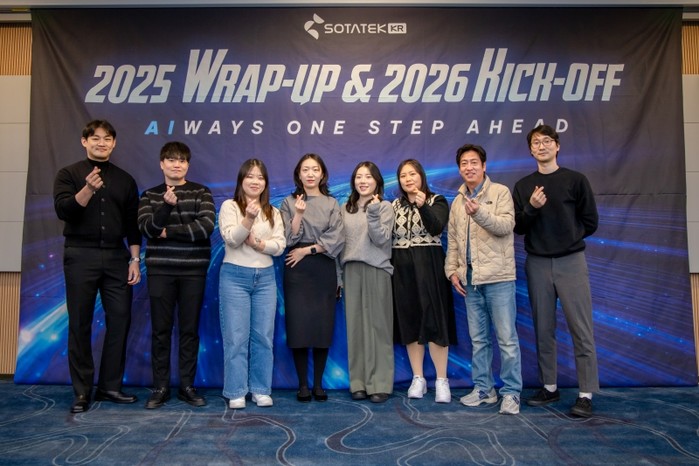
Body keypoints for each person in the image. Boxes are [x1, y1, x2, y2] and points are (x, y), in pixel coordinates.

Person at [53, 119, 141, 414]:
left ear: (114, 144)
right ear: (85, 141)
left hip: (117, 258)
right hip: (80, 255)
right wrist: (88, 189)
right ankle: (81, 391)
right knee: (80, 323)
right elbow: (64, 210)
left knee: (120, 319)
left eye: (107, 139)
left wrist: (135, 259)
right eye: (95, 138)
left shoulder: (125, 180)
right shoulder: (68, 174)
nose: (101, 143)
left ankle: (109, 386)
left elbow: (132, 224)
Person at [512, 124, 599, 418]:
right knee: (543, 328)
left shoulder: (575, 180)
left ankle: (586, 393)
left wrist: (568, 240)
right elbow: (519, 227)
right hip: (537, 263)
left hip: (571, 261)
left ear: (557, 146)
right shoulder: (524, 186)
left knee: (581, 328)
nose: (542, 146)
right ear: (530, 150)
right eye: (536, 142)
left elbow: (591, 221)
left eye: (547, 141)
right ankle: (549, 387)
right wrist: (532, 207)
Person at [445, 144, 523, 415]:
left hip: (499, 277)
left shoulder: (500, 192)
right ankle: (484, 389)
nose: (469, 167)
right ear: (459, 168)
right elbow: (453, 240)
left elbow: (506, 227)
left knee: (507, 340)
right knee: (479, 340)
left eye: (474, 162)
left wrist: (479, 212)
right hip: (470, 280)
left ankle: (511, 392)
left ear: (484, 165)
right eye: (464, 163)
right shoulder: (457, 202)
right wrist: (452, 271)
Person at [137, 141, 215, 409]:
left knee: (189, 330)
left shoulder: (201, 192)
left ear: (187, 165)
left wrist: (168, 232)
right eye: (171, 160)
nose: (176, 164)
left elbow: (205, 227)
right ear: (162, 164)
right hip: (160, 270)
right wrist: (165, 207)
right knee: (160, 330)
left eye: (182, 160)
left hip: (193, 270)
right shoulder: (150, 195)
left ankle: (187, 386)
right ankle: (160, 387)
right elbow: (147, 229)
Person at [219, 159, 286, 409]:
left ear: (265, 182)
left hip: (265, 278)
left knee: (263, 337)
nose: (255, 181)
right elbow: (232, 239)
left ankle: (260, 389)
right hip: (234, 276)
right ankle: (236, 390)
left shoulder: (273, 211)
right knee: (236, 337)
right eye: (250, 176)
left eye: (260, 177)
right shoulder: (230, 206)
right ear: (241, 180)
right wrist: (247, 218)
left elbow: (279, 246)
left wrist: (259, 244)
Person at [280, 154, 344, 402]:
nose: (310, 174)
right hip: (296, 268)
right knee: (298, 326)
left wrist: (308, 251)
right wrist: (298, 213)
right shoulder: (288, 202)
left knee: (321, 327)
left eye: (315, 169)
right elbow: (289, 238)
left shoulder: (331, 203)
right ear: (298, 174)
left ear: (322, 174)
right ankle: (302, 385)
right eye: (305, 169)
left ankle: (318, 384)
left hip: (323, 265)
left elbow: (337, 238)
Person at [391, 159, 456, 403]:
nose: (408, 179)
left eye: (412, 174)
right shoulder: (394, 205)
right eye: (403, 175)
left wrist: (422, 206)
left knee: (435, 320)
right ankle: (418, 377)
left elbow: (436, 226)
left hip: (430, 266)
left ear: (421, 176)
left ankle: (441, 379)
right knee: (410, 321)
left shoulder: (437, 200)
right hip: (402, 269)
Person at [341, 161, 395, 403]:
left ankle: (380, 383)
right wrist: (338, 276)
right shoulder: (345, 208)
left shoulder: (384, 207)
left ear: (377, 181)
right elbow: (339, 244)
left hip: (377, 269)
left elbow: (381, 239)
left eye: (368, 177)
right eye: (359, 177)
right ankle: (359, 383)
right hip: (350, 269)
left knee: (378, 327)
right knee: (355, 328)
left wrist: (372, 213)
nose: (363, 181)